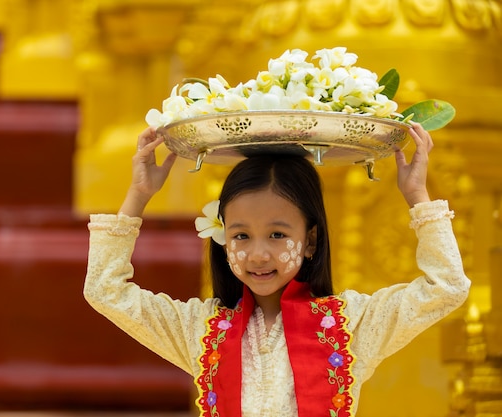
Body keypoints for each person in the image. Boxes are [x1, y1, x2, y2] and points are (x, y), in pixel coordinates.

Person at [84, 122, 470, 417]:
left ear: (311, 241)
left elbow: (447, 286)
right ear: (221, 238)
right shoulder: (201, 331)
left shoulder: (352, 325)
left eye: (277, 234)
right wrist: (138, 195)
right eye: (241, 236)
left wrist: (418, 196)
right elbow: (105, 291)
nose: (258, 255)